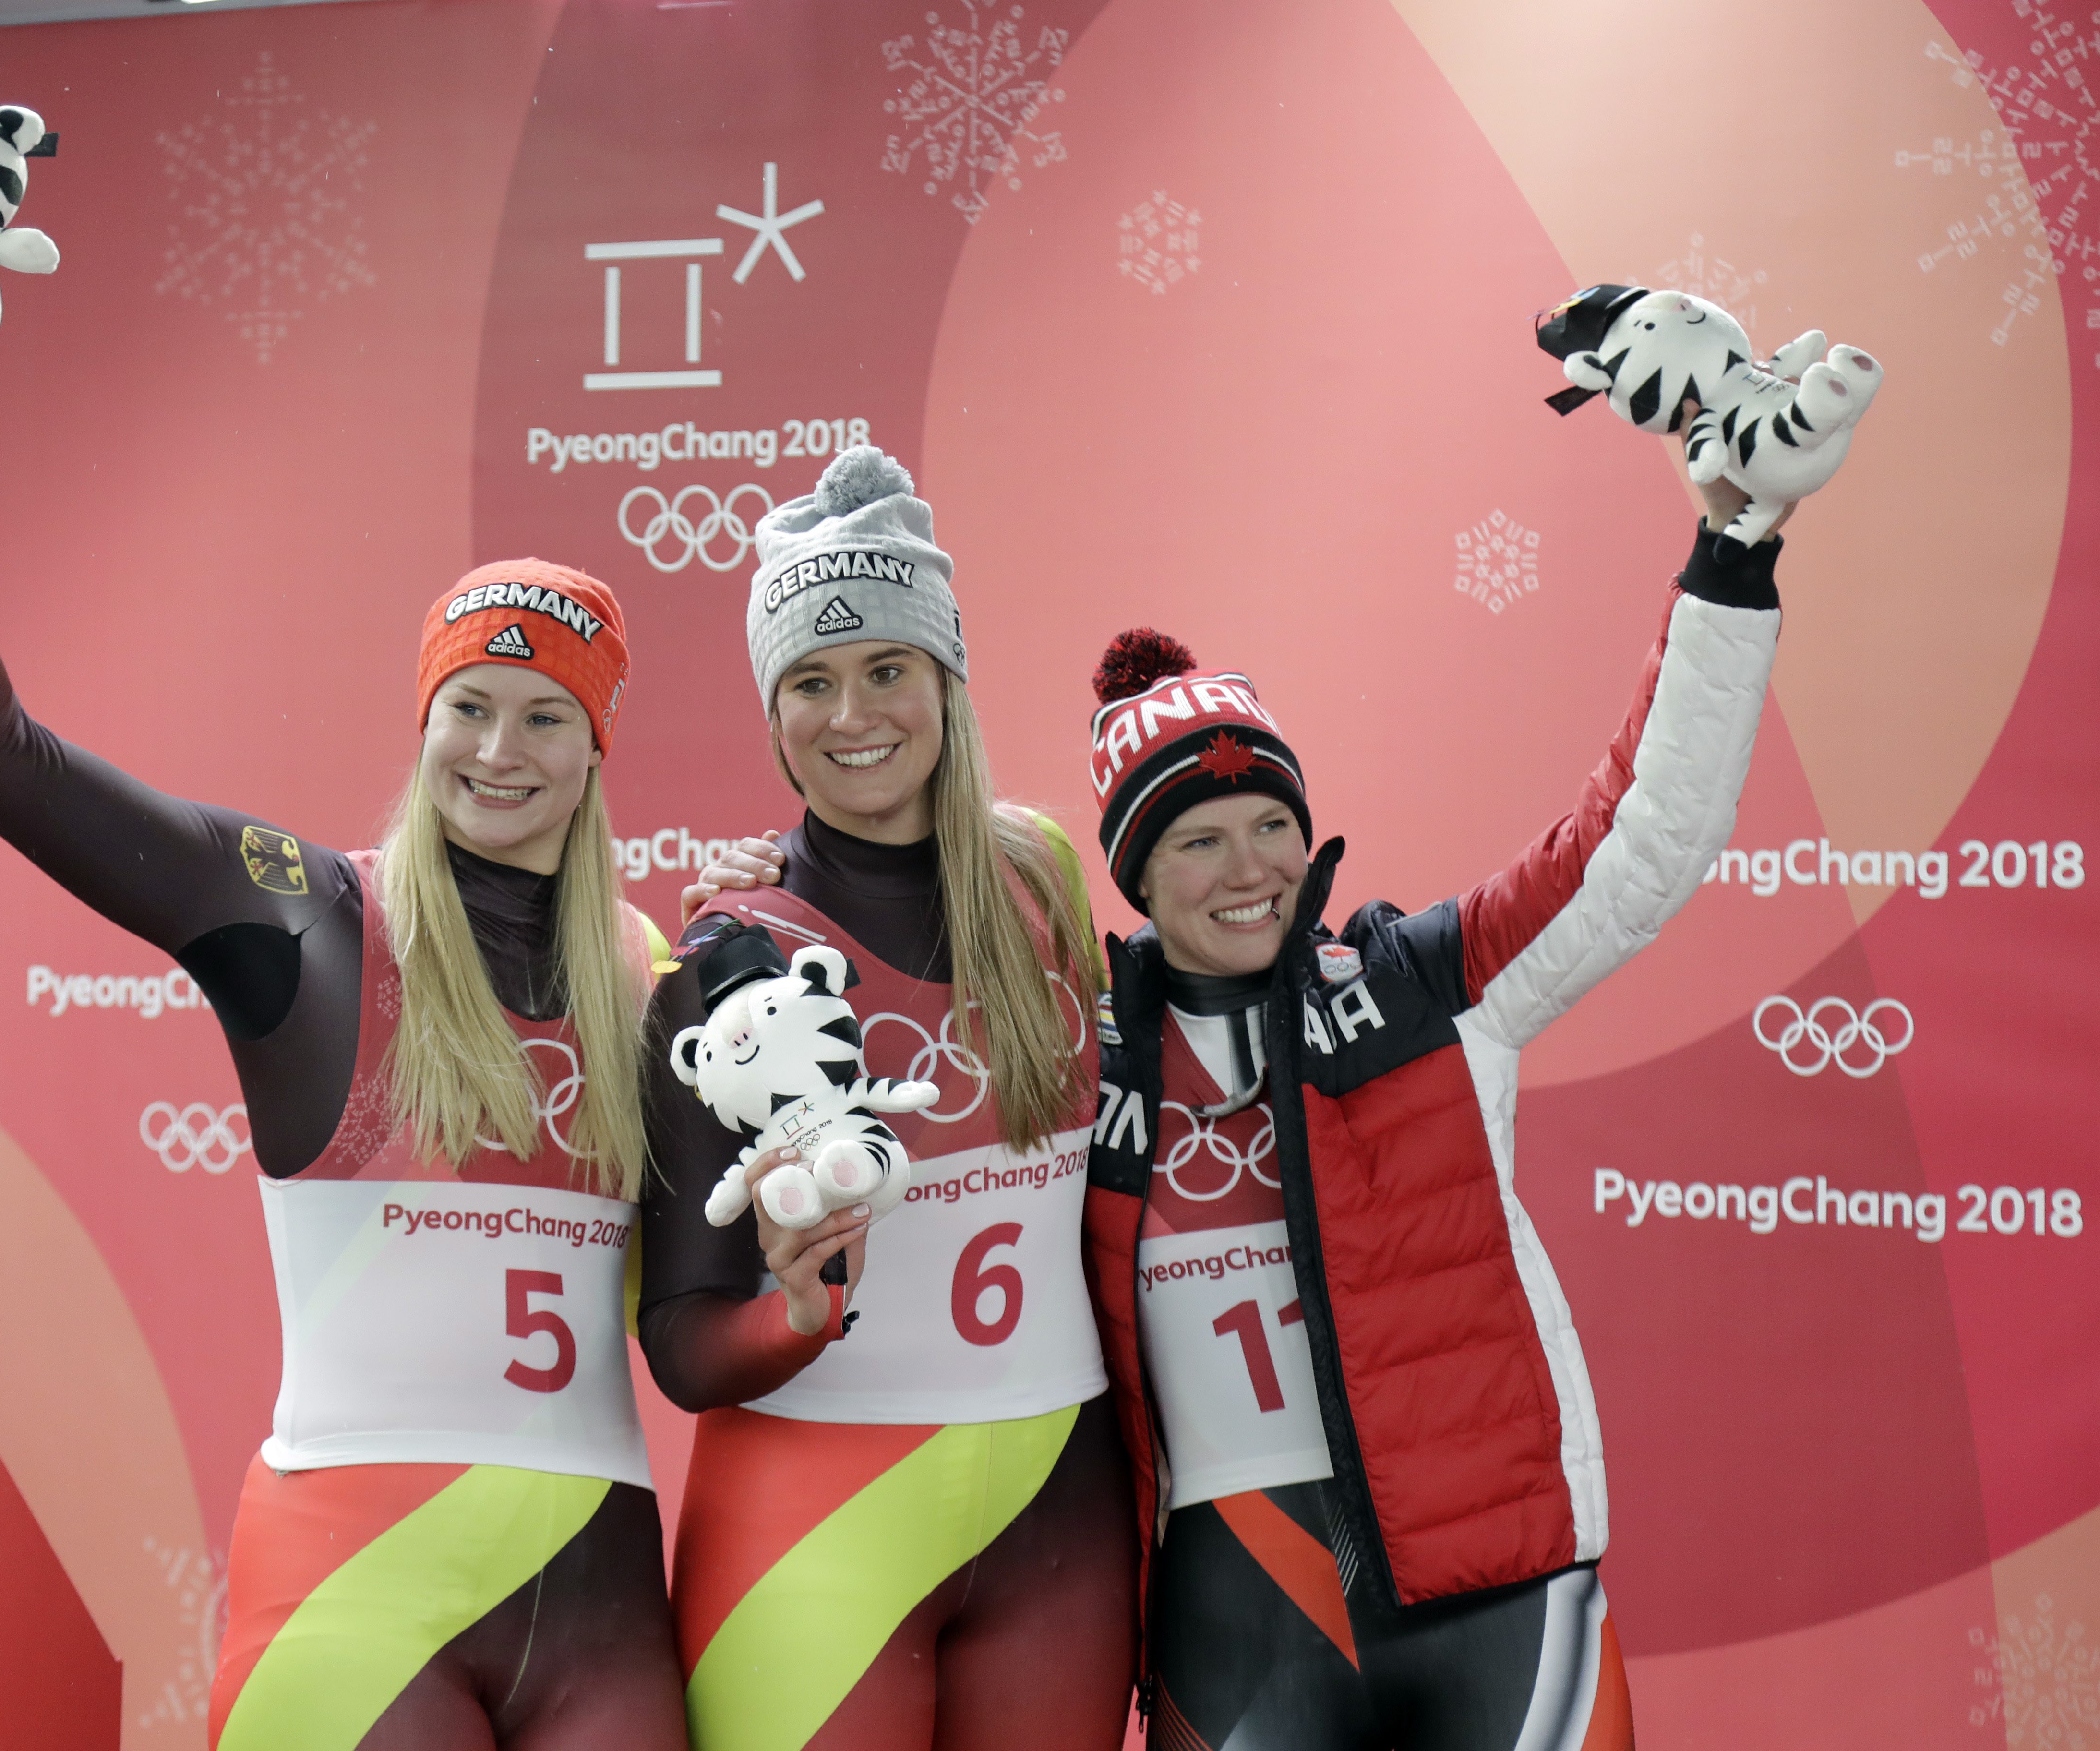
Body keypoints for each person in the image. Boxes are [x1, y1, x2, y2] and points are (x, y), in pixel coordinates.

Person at [0, 237, 687, 1751]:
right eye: (469, 708)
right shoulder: (309, 916)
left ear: (597, 749)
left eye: (547, 717)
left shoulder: (647, 971)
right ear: (423, 720)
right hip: (355, 1594)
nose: (501, 752)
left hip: (605, 1604)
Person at [1074, 468, 1787, 1750]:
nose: (1251, 870)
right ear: (1135, 872)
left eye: (1273, 824)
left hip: (1499, 1600)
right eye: (1199, 841)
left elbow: (1641, 839)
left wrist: (1730, 562)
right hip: (1233, 1625)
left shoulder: (1417, 987)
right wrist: (756, 910)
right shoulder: (1085, 1056)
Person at [639, 448, 1138, 1751]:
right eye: (810, 680)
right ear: (772, 711)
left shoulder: (1041, 876)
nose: (852, 714)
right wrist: (796, 1318)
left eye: (886, 670)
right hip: (811, 1530)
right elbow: (682, 1340)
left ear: (947, 679)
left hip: (1061, 1522)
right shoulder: (731, 954)